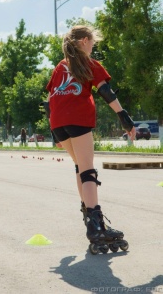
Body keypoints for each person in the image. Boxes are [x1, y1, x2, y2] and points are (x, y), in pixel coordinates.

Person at [46, 26, 136, 254]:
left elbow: (50, 99)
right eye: (93, 42)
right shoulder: (87, 62)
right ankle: (96, 226)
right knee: (88, 171)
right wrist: (123, 116)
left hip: (58, 123)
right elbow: (106, 91)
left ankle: (91, 219)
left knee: (79, 167)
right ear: (84, 41)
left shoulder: (60, 66)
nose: (93, 46)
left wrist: (53, 131)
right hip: (77, 119)